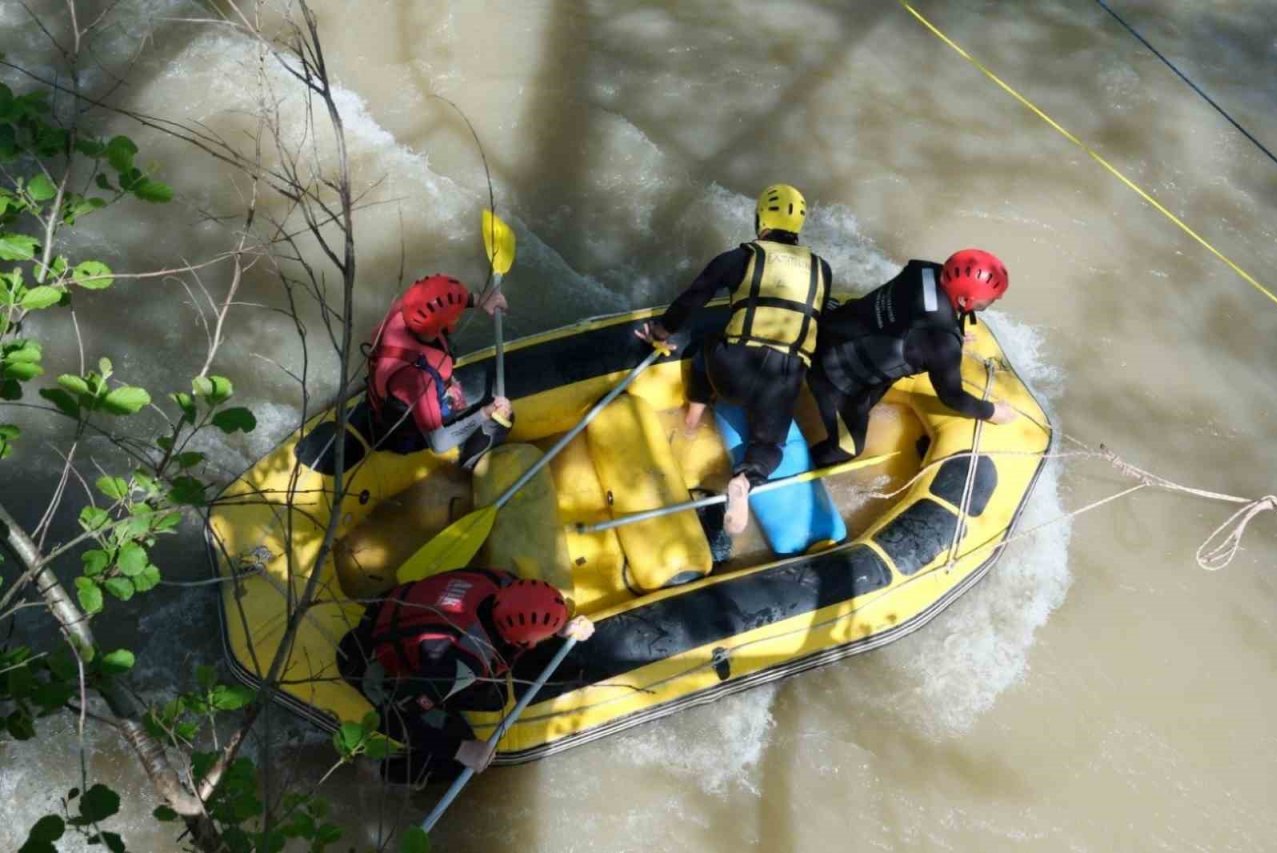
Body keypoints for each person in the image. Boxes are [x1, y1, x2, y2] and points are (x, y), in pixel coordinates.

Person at [636, 184, 832, 536]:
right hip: (782, 379)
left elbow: (694, 298)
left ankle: (693, 416)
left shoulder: (740, 257)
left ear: (760, 220)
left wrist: (662, 331)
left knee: (703, 345)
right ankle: (745, 479)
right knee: (770, 446)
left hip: (730, 371)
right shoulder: (822, 269)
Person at [338, 569, 595, 786]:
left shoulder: (502, 581)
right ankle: (374, 771)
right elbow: (394, 716)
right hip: (371, 660)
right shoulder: (463, 665)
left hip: (394, 607)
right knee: (456, 764)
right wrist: (461, 750)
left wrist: (562, 627)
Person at [807, 249, 1018, 466]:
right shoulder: (942, 343)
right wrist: (992, 412)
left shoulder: (922, 272)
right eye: (985, 303)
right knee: (848, 448)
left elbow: (908, 317)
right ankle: (799, 468)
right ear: (965, 299)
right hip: (831, 374)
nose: (987, 305)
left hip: (828, 328)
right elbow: (953, 397)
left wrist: (948, 337)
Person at [365, 274, 513, 469]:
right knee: (503, 419)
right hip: (409, 434)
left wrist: (479, 300)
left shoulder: (402, 312)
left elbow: (437, 300)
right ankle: (469, 462)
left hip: (394, 402)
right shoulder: (419, 379)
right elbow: (438, 443)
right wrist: (485, 413)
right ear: (447, 322)